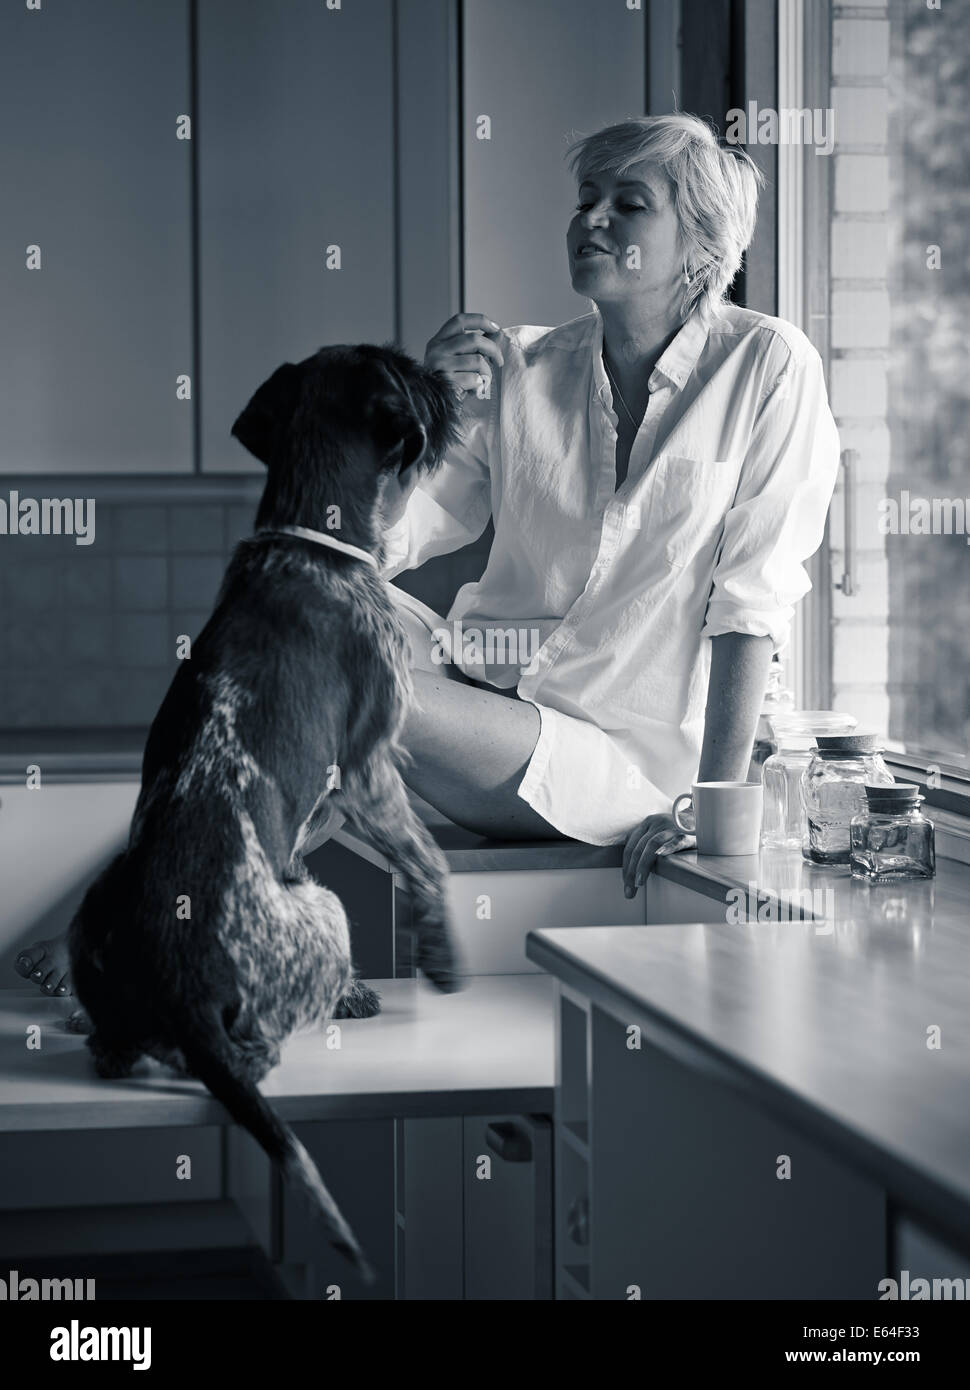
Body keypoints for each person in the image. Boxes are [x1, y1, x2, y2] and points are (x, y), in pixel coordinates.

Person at [13, 113, 839, 998]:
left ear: (701, 244)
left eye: (626, 204)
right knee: (285, 630)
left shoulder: (766, 366)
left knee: (329, 685)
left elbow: (751, 603)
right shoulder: (523, 366)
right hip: (481, 700)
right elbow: (375, 544)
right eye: (584, 199)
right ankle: (145, 921)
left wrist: (710, 818)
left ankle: (121, 931)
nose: (590, 220)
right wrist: (424, 405)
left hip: (616, 762)